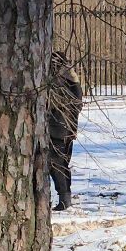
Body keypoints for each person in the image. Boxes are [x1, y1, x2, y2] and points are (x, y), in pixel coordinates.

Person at [46, 50, 85, 211]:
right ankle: (64, 198)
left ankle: (64, 199)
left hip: (57, 130)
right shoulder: (71, 82)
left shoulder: (57, 82)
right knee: (61, 164)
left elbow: (53, 104)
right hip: (67, 130)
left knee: (56, 164)